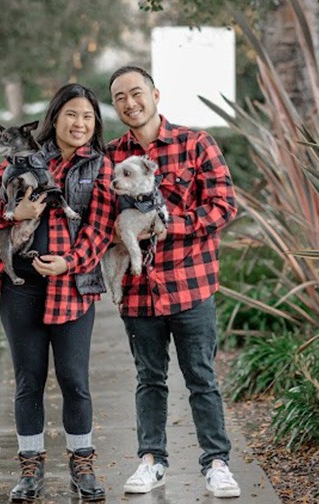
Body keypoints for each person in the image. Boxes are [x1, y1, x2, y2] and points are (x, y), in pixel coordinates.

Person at [0, 83, 115, 502]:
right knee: (28, 381)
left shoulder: (100, 167)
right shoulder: (28, 155)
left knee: (75, 381)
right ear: (55, 117)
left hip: (72, 287)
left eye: (88, 117)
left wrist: (70, 261)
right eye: (72, 114)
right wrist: (13, 212)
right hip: (22, 289)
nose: (80, 123)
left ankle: (82, 464)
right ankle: (30, 469)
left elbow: (101, 227)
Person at [106, 65, 241, 499]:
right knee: (149, 378)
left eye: (136, 93)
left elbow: (224, 206)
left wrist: (166, 226)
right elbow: (97, 219)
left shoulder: (196, 143)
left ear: (155, 94)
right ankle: (151, 461)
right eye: (119, 97)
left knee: (201, 377)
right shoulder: (109, 156)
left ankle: (217, 463)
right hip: (138, 293)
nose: (129, 103)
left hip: (190, 284)